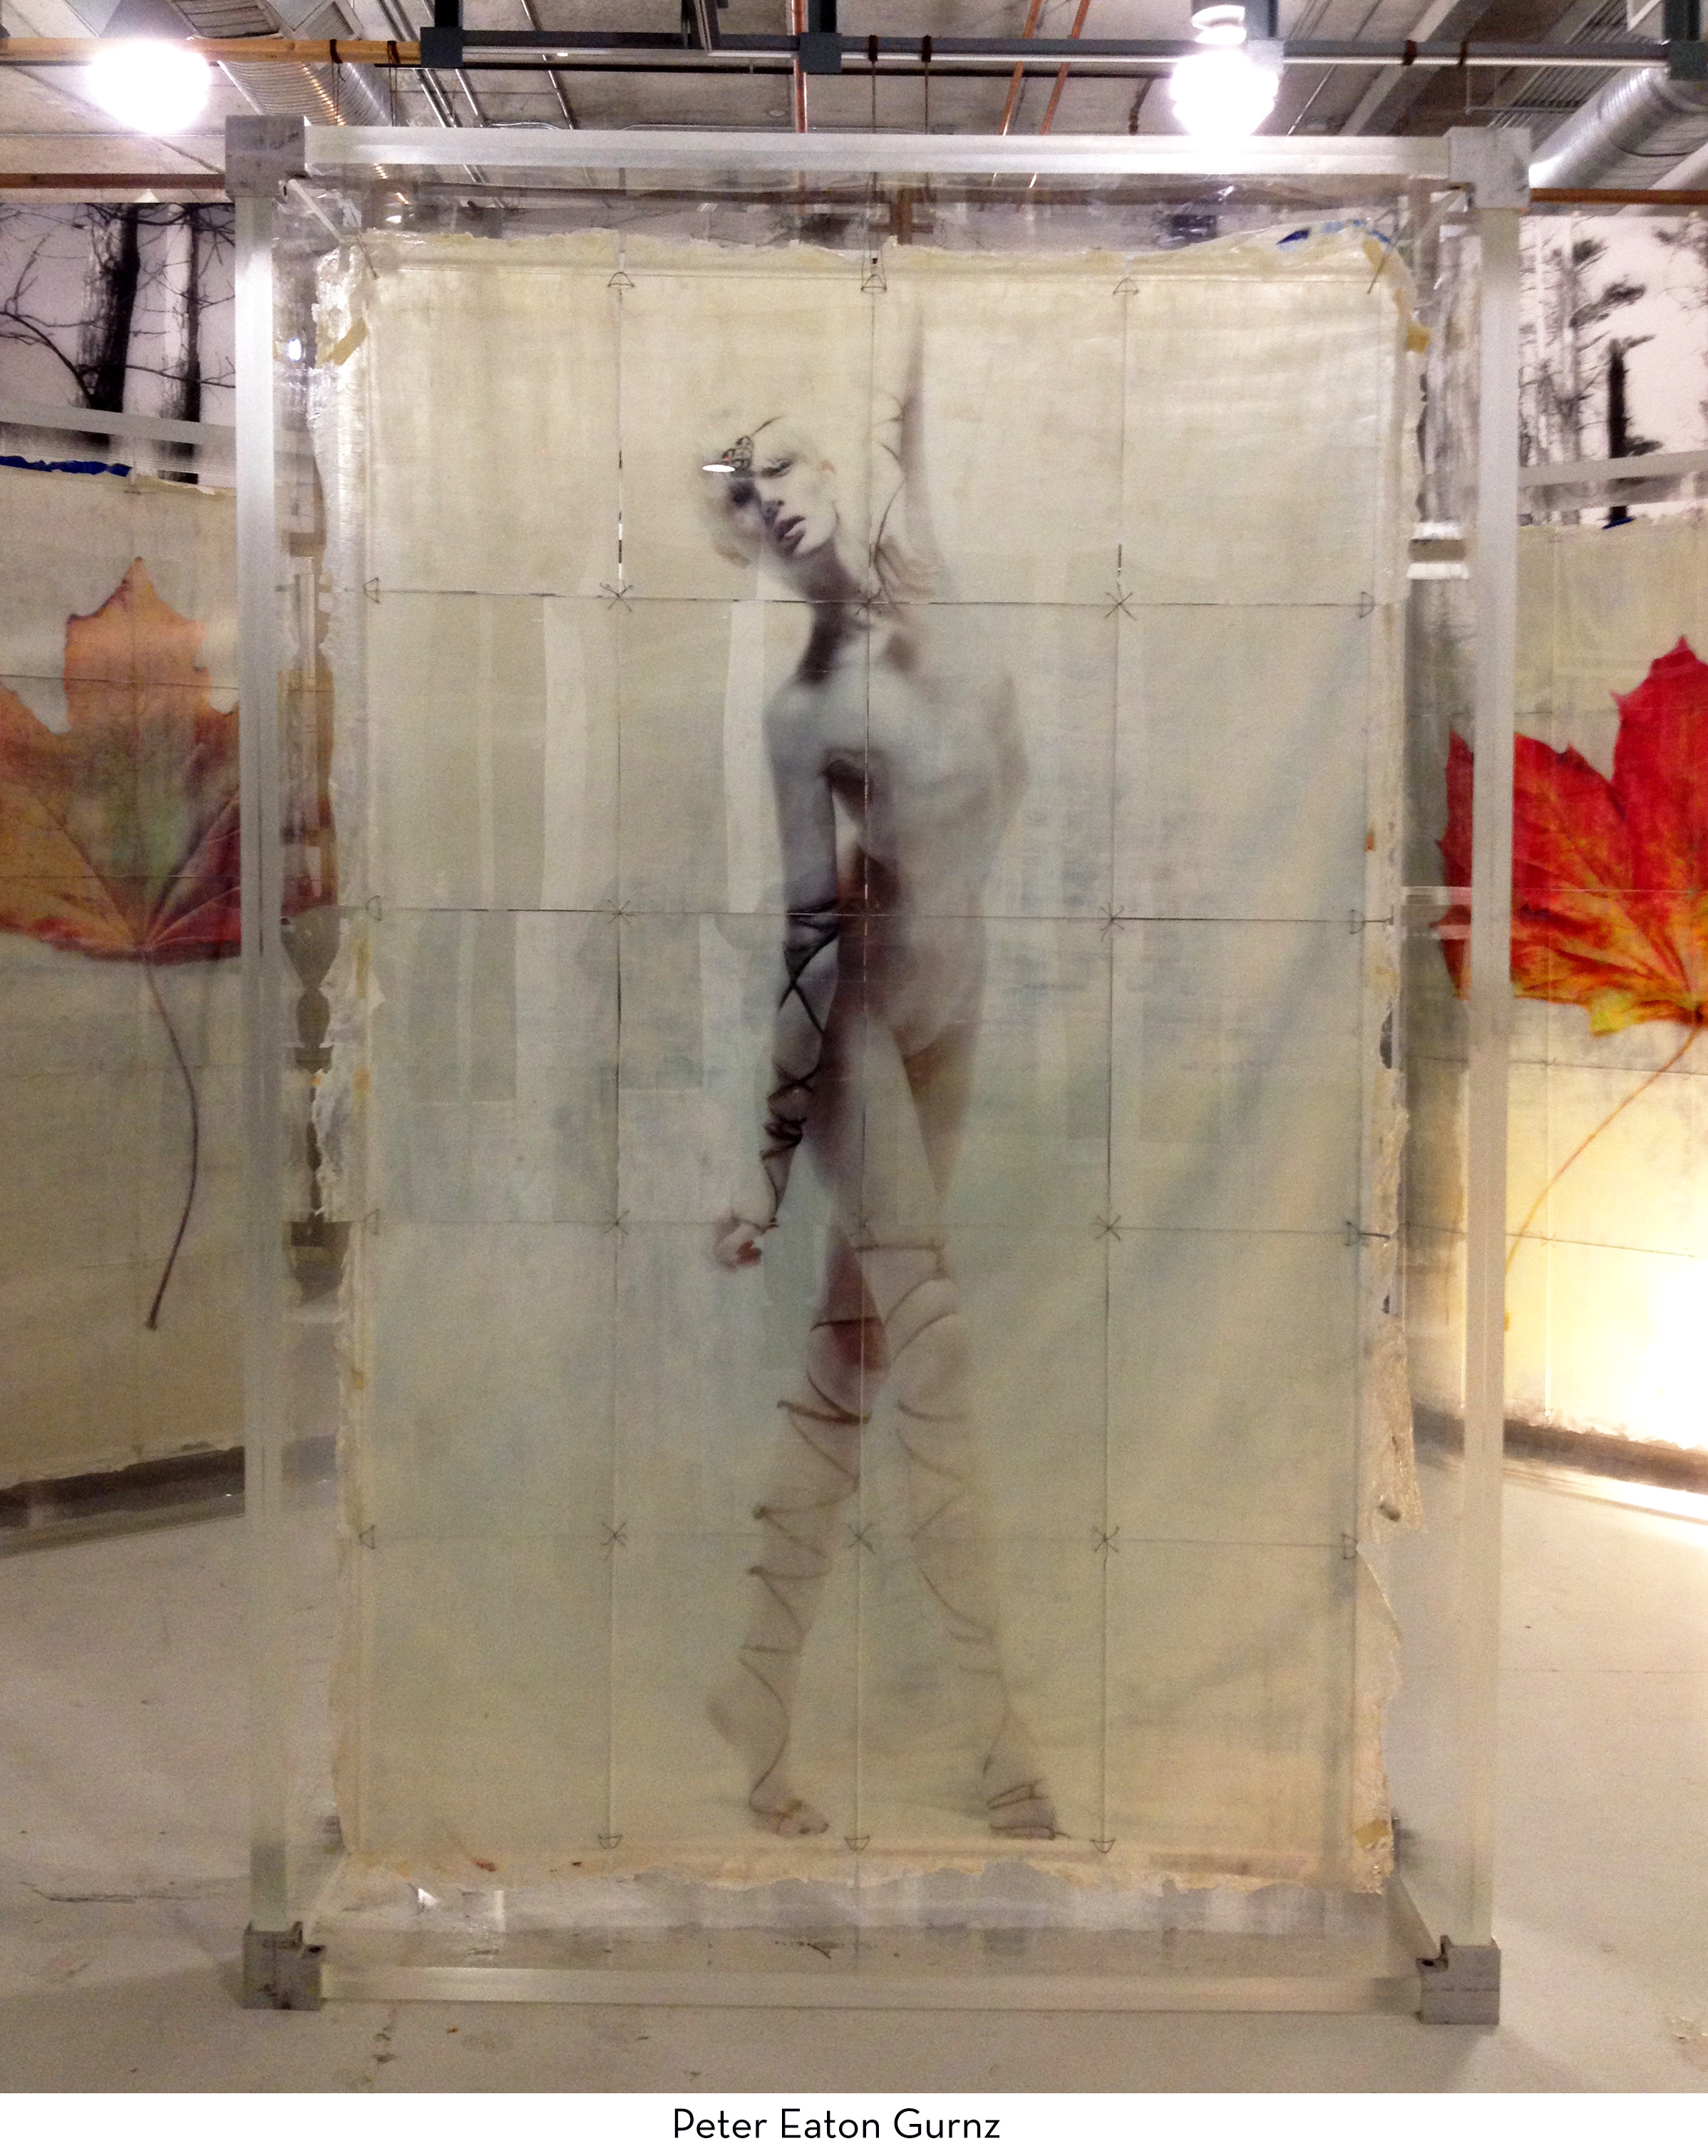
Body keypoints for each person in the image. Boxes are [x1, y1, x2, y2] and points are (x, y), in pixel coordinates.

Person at [701, 369, 1056, 1842]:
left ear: (837, 467)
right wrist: (772, 1149)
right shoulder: (801, 713)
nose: (769, 502)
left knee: (851, 1360)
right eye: (739, 498)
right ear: (739, 542)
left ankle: (753, 1689)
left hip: (950, 1014)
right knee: (933, 1350)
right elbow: (806, 935)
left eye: (780, 466)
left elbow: (998, 788)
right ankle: (1000, 1733)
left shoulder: (949, 616)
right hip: (858, 1029)